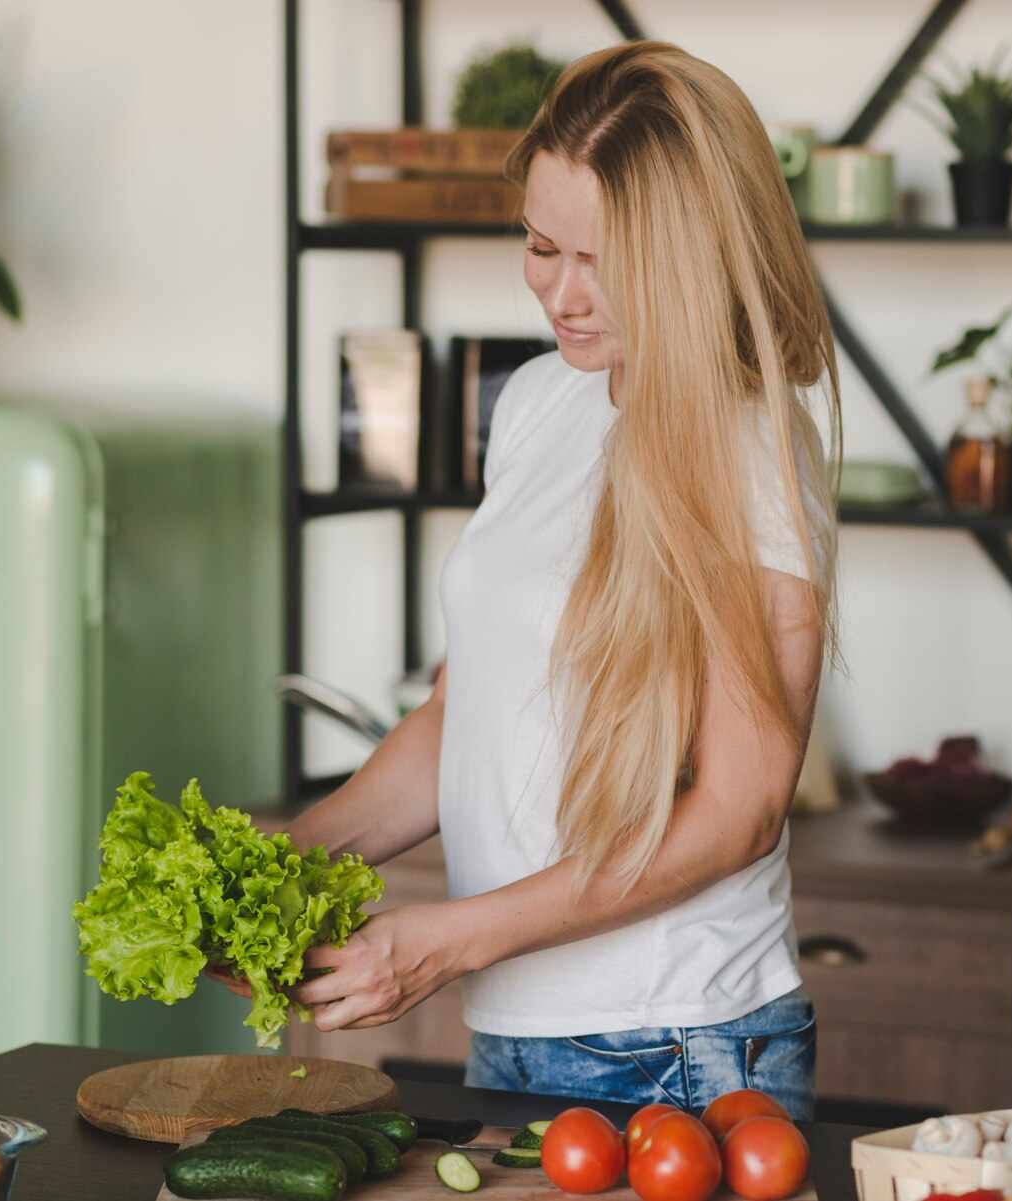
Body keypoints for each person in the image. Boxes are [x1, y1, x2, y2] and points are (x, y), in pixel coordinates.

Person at [254, 39, 839, 1118]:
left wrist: (449, 935)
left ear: (691, 253)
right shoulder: (538, 400)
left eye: (603, 261)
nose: (561, 294)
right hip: (515, 1027)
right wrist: (284, 866)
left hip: (676, 1040)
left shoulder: (752, 442)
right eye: (539, 245)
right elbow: (466, 711)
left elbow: (742, 809)